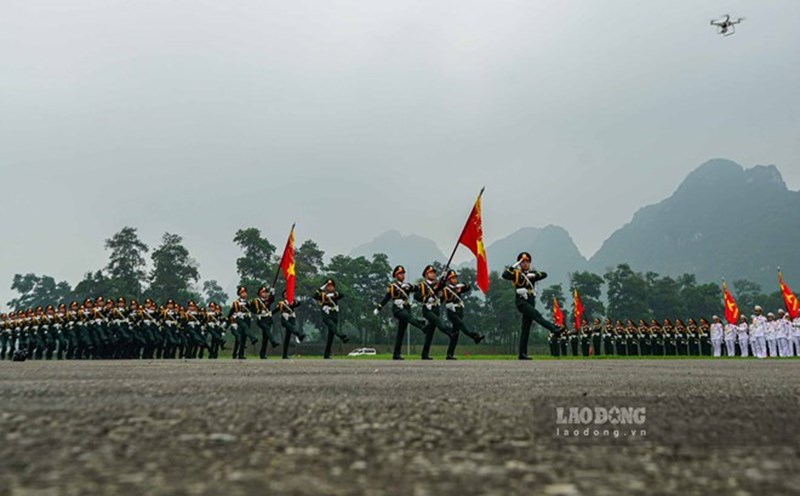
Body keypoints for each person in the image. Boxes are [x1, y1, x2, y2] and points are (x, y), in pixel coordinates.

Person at [502, 252, 564, 360]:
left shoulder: (532, 273)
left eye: (527, 262)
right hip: (521, 302)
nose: (525, 264)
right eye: (523, 262)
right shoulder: (516, 274)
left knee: (526, 328)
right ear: (520, 264)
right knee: (537, 315)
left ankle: (522, 353)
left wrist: (534, 275)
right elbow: (505, 275)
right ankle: (554, 329)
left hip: (530, 300)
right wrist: (514, 265)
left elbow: (544, 274)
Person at [374, 265, 427, 360]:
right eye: (400, 274)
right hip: (397, 309)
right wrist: (379, 307)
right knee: (408, 317)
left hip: (406, 307)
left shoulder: (406, 285)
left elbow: (417, 289)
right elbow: (387, 298)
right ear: (396, 275)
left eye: (403, 273)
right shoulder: (392, 287)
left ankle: (396, 354)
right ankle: (421, 326)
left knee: (401, 333)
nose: (402, 275)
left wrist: (410, 286)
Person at [415, 265, 454, 360]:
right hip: (427, 309)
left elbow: (442, 285)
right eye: (431, 273)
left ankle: (425, 354)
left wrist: (444, 276)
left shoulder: (437, 284)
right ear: (426, 274)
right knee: (437, 321)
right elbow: (417, 296)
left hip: (436, 309)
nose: (433, 274)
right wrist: (425, 298)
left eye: (433, 273)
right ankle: (449, 332)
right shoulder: (422, 285)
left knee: (430, 333)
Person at [314, 279, 349, 359]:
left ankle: (326, 354)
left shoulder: (335, 294)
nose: (330, 287)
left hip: (334, 315)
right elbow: (315, 296)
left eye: (331, 286)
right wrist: (321, 288)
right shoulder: (322, 295)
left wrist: (332, 296)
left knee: (331, 336)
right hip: (326, 315)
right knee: (332, 327)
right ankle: (342, 336)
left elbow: (341, 295)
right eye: (328, 286)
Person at [251, 286, 280, 359]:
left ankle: (262, 354)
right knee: (267, 329)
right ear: (259, 293)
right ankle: (273, 341)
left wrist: (272, 292)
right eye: (263, 292)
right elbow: (251, 308)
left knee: (265, 337)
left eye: (265, 292)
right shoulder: (256, 301)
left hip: (267, 319)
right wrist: (258, 312)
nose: (264, 293)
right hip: (261, 319)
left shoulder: (267, 300)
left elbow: (272, 299)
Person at [276, 291, 306, 359]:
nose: (286, 295)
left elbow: (299, 303)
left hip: (291, 320)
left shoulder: (292, 302)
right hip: (285, 320)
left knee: (287, 337)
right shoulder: (282, 303)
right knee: (291, 328)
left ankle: (284, 355)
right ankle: (299, 334)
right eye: (285, 294)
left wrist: (294, 302)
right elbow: (276, 310)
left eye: (288, 294)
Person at [228, 287, 253, 359]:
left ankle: (241, 354)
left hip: (247, 319)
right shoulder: (236, 303)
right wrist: (230, 322)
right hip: (239, 321)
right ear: (239, 294)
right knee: (240, 337)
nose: (244, 294)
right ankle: (235, 353)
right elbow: (231, 312)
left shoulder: (248, 302)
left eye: (245, 292)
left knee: (244, 337)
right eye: (242, 292)